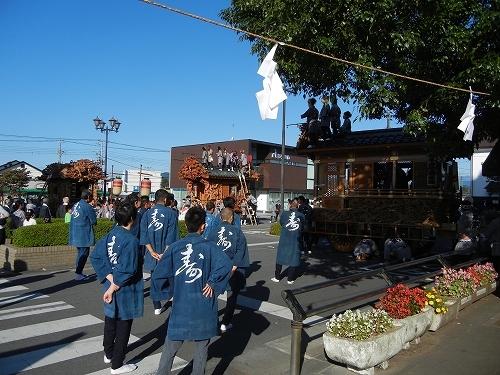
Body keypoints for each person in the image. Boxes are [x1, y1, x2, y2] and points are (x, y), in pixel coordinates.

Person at [151, 206, 232, 375]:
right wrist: (213, 283)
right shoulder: (210, 247)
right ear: (203, 226)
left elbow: (158, 275)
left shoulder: (175, 247)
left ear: (186, 225)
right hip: (204, 303)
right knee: (201, 349)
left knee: (170, 348)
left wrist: (169, 294)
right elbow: (226, 264)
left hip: (181, 304)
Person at [90, 201, 144, 375]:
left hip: (110, 285)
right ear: (132, 219)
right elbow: (128, 269)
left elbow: (96, 257)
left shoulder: (109, 235)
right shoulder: (131, 241)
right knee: (123, 324)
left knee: (110, 320)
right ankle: (117, 364)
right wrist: (114, 285)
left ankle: (108, 353)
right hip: (124, 289)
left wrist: (110, 279)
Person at [207, 208, 250, 332]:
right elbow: (241, 251)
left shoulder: (213, 232)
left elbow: (209, 251)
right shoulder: (238, 232)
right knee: (232, 296)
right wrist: (234, 267)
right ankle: (225, 323)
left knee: (212, 294)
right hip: (233, 268)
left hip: (216, 268)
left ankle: (212, 321)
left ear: (220, 218)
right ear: (232, 218)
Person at [140, 189, 179, 315]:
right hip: (166, 253)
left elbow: (144, 234)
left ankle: (156, 305)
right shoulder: (171, 213)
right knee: (171, 276)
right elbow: (171, 236)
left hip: (152, 252)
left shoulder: (147, 213)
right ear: (166, 199)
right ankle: (173, 302)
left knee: (154, 277)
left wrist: (151, 251)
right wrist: (165, 252)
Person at [271, 199, 304, 284]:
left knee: (280, 257)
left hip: (285, 237)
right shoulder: (301, 215)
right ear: (298, 206)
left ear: (290, 205)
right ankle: (290, 279)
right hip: (295, 238)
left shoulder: (285, 214)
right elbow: (302, 226)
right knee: (293, 257)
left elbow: (281, 223)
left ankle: (277, 277)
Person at [69, 189, 97, 281]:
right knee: (84, 253)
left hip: (75, 232)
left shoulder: (75, 205)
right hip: (83, 234)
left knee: (80, 254)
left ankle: (78, 272)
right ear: (88, 197)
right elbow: (94, 221)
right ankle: (79, 273)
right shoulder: (87, 206)